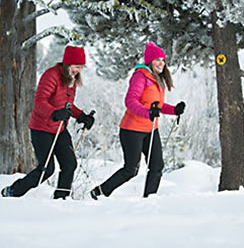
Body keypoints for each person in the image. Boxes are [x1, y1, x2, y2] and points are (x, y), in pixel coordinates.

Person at [90, 42, 185, 200]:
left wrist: (174, 110)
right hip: (132, 130)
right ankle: (99, 191)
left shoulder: (158, 80)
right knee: (131, 170)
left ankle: (149, 199)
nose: (161, 63)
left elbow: (157, 106)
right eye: (157, 60)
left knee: (157, 166)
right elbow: (130, 101)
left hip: (150, 129)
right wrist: (148, 113)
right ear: (150, 61)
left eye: (163, 60)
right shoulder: (141, 76)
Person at [1, 46, 95, 199]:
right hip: (41, 129)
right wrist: (54, 113)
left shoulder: (72, 80)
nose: (79, 70)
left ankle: (61, 199)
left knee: (70, 164)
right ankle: (13, 191)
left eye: (81, 67)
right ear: (67, 64)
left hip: (59, 129)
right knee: (46, 169)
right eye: (77, 66)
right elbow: (39, 102)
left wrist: (82, 116)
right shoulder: (51, 76)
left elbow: (67, 105)